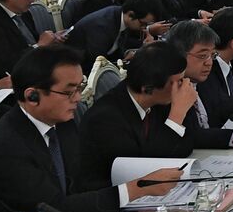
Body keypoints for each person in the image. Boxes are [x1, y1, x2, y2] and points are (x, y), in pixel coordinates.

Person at [0, 46, 183, 212]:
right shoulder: (4, 145)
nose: (78, 98)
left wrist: (137, 194)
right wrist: (133, 190)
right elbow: (51, 210)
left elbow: (81, 185)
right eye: (69, 91)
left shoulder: (62, 124)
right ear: (32, 96)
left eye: (80, 88)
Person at [78, 43, 199, 188]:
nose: (186, 86)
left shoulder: (158, 102)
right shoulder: (105, 119)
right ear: (148, 88)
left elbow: (185, 145)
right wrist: (177, 114)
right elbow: (145, 169)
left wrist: (182, 110)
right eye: (179, 81)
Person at [165, 19, 233, 149]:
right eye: (202, 56)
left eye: (212, 55)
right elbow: (192, 135)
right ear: (178, 55)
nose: (209, 62)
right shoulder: (167, 91)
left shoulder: (203, 81)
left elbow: (227, 106)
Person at [65, 0, 166, 64]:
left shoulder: (120, 15)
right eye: (143, 24)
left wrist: (130, 54)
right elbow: (98, 63)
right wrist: (122, 62)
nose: (144, 28)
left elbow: (116, 49)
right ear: (131, 15)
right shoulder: (102, 25)